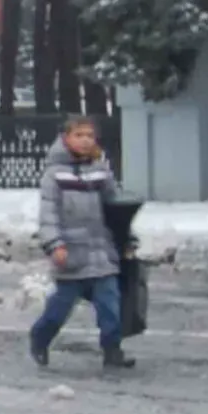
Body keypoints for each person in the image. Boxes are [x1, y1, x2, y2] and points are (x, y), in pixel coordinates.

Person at [30, 116, 133, 370]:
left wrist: (127, 240)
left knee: (110, 305)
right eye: (79, 135)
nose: (85, 140)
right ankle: (40, 338)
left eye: (89, 135)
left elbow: (115, 209)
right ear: (66, 138)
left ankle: (112, 350)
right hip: (71, 254)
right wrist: (55, 245)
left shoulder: (100, 170)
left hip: (102, 252)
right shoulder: (54, 175)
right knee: (60, 308)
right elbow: (49, 214)